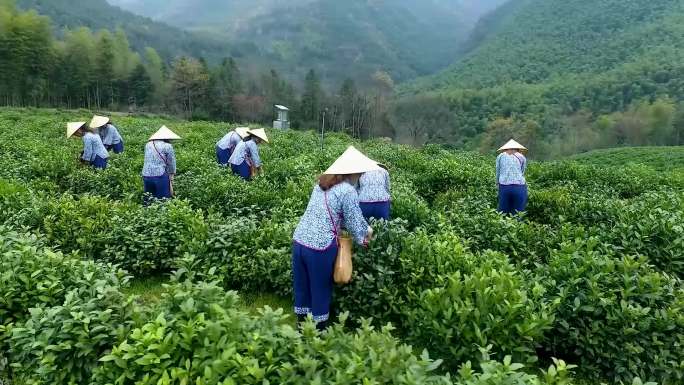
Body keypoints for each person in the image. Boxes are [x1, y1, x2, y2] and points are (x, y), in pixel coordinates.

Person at [291, 146, 379, 330]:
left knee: (303, 287)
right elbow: (355, 222)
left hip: (299, 241)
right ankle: (318, 333)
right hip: (319, 247)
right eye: (360, 173)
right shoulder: (347, 191)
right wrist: (366, 237)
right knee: (320, 289)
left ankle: (301, 330)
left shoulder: (322, 184)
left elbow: (331, 213)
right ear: (353, 172)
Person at [142, 126, 180, 205]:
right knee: (163, 201)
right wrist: (172, 174)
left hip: (146, 175)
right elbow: (171, 162)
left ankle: (146, 214)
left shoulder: (148, 144)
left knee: (148, 199)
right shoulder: (168, 146)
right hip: (160, 175)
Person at [496, 139, 528, 215]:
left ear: (505, 148)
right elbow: (522, 171)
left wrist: (497, 183)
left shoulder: (500, 156)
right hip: (519, 187)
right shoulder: (522, 157)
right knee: (518, 213)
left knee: (503, 213)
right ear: (518, 149)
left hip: (504, 187)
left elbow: (498, 171)